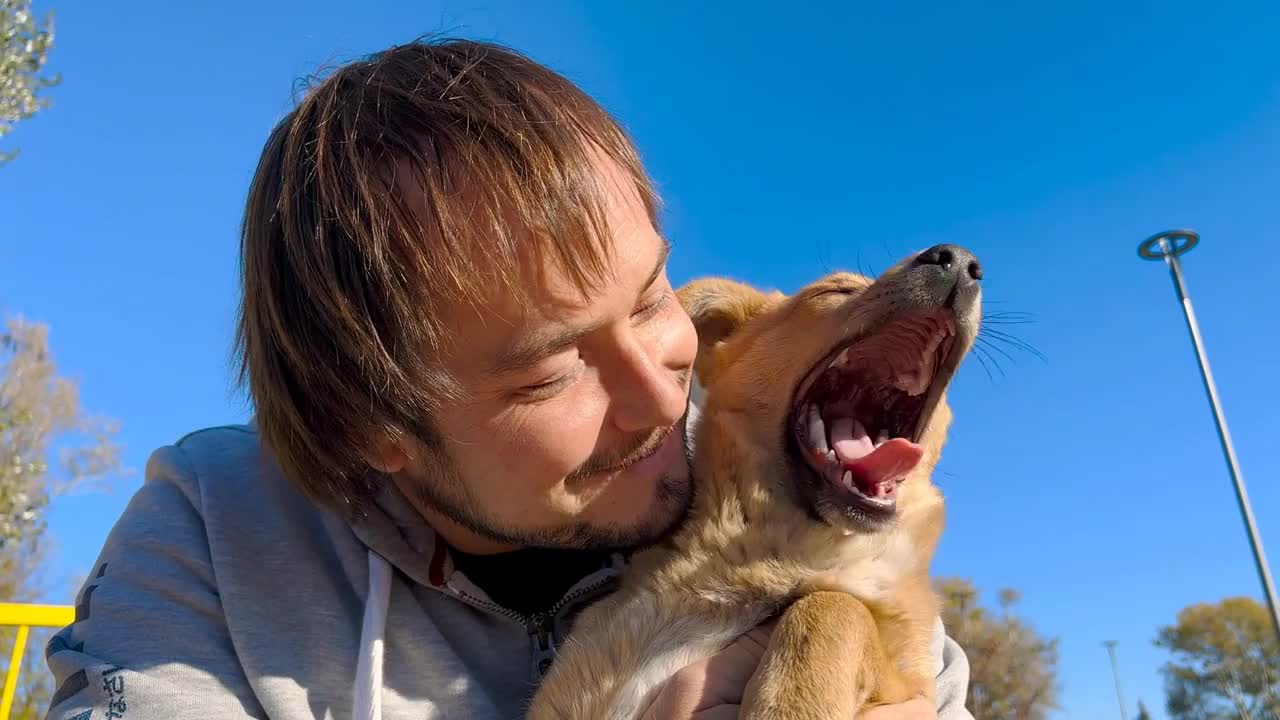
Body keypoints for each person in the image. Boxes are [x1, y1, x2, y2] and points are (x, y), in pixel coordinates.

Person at [43, 37, 973, 720]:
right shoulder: (217, 533)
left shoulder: (764, 483)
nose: (661, 398)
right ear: (374, 427)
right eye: (552, 372)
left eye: (653, 299)